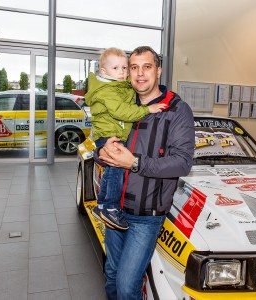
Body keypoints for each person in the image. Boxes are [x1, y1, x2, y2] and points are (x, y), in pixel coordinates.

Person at [96, 46, 195, 299]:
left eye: (147, 67)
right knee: (112, 278)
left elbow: (182, 163)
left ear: (158, 71)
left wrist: (135, 163)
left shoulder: (176, 110)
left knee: (128, 286)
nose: (140, 74)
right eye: (134, 67)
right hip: (115, 213)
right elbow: (100, 140)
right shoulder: (120, 101)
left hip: (145, 216)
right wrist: (102, 150)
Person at [85, 47, 165, 230]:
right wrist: (147, 109)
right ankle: (110, 206)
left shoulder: (117, 85)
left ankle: (103, 206)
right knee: (116, 169)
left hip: (110, 134)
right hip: (108, 135)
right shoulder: (107, 91)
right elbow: (121, 111)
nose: (122, 72)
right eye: (116, 68)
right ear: (104, 71)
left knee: (112, 169)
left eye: (124, 68)